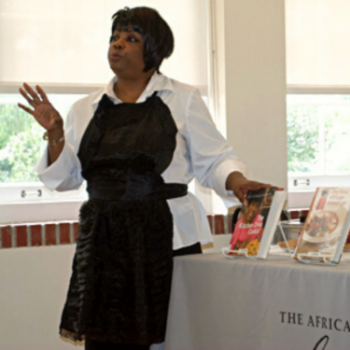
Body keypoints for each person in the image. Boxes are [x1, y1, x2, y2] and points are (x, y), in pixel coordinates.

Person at [18, 6, 271, 350]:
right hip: (104, 241)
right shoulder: (85, 108)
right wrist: (57, 134)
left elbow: (215, 160)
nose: (118, 44)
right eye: (115, 37)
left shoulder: (182, 99)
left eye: (131, 38)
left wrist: (237, 182)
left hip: (167, 238)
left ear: (153, 51)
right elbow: (66, 179)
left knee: (172, 335)